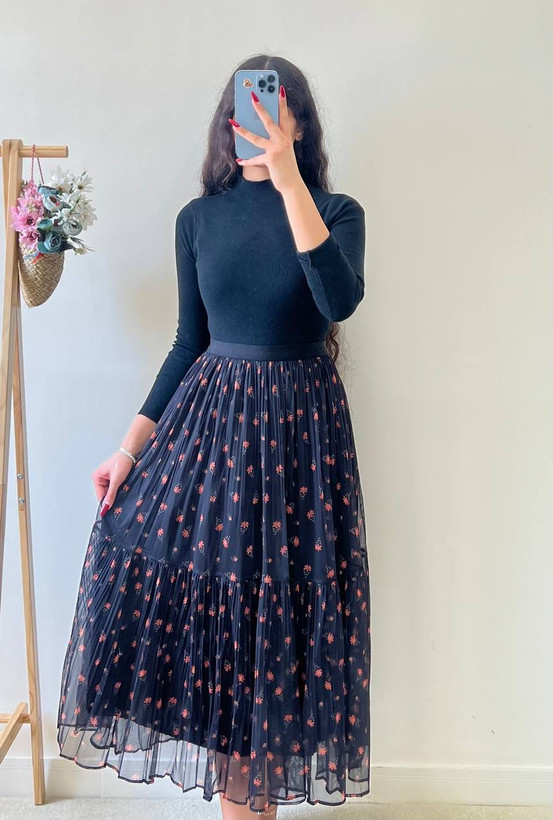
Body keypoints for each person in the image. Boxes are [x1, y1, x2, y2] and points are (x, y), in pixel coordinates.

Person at [56, 55, 371, 818]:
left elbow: (337, 302)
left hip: (299, 442)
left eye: (272, 109)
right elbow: (186, 343)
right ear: (226, 121)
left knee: (279, 628)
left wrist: (289, 182)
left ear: (298, 123)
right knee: (224, 630)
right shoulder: (197, 221)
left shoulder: (336, 210)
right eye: (244, 109)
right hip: (212, 436)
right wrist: (127, 451)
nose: (254, 122)